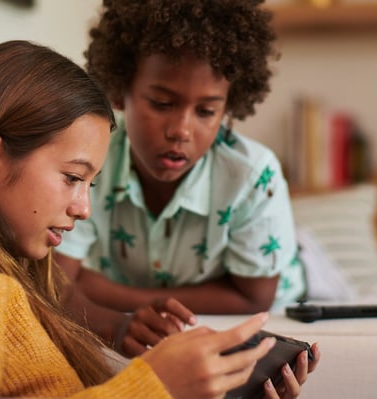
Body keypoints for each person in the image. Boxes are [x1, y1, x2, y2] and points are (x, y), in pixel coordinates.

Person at [0, 39, 314, 398]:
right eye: (72, 178)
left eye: (90, 183)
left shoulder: (12, 286)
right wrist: (154, 386)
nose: (85, 209)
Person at [55, 0, 306, 315]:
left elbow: (254, 299)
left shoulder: (253, 175)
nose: (181, 131)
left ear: (227, 107)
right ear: (121, 90)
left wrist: (117, 297)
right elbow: (59, 281)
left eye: (206, 111)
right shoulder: (91, 158)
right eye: (161, 103)